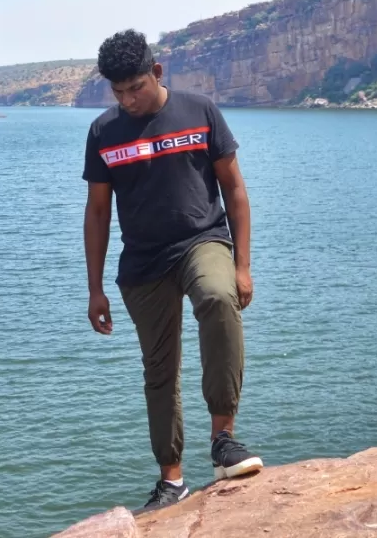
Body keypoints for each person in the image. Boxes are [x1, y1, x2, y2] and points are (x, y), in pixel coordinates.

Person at [82, 30, 262, 513]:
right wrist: (94, 288)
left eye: (135, 87)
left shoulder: (200, 111)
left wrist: (242, 266)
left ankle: (224, 440)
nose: (128, 99)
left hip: (202, 240)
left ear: (157, 72)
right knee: (159, 372)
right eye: (118, 92)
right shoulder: (104, 132)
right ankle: (172, 481)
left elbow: (235, 190)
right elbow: (97, 212)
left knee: (218, 298)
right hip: (142, 262)